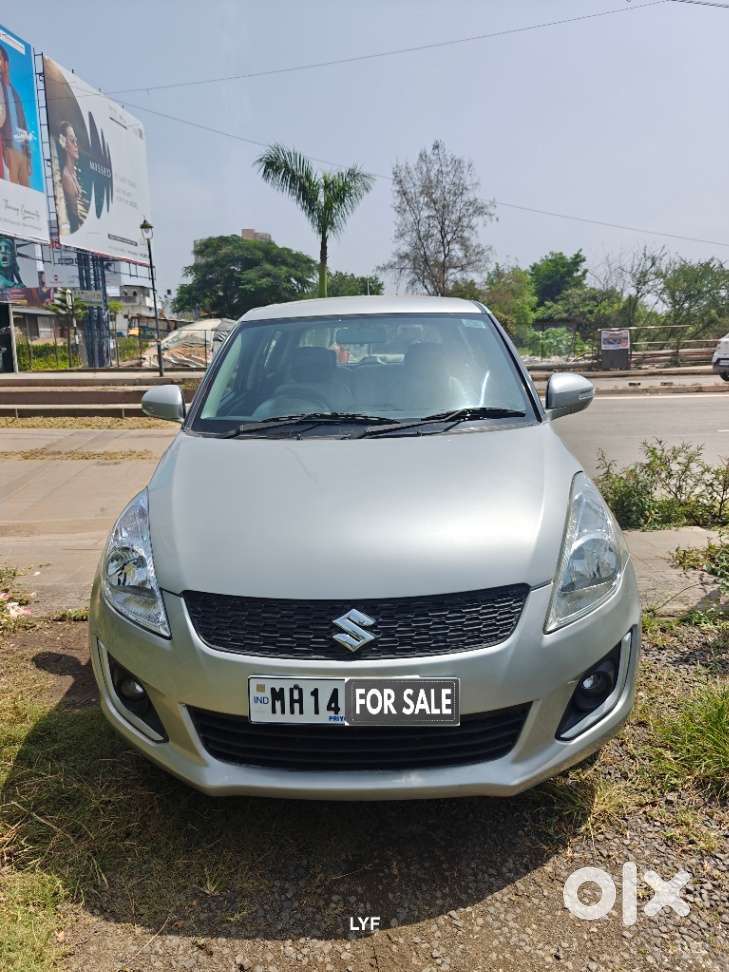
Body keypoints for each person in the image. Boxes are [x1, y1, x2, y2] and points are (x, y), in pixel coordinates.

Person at [0, 44, 31, 187]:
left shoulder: (16, 95)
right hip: (9, 151)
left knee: (28, 195)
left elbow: (24, 127)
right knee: (11, 194)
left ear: (6, 63)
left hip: (22, 155)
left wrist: (28, 158)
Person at [58, 121, 82, 232]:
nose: (76, 145)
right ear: (64, 144)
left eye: (76, 140)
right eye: (72, 140)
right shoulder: (67, 178)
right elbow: (74, 219)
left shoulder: (73, 172)